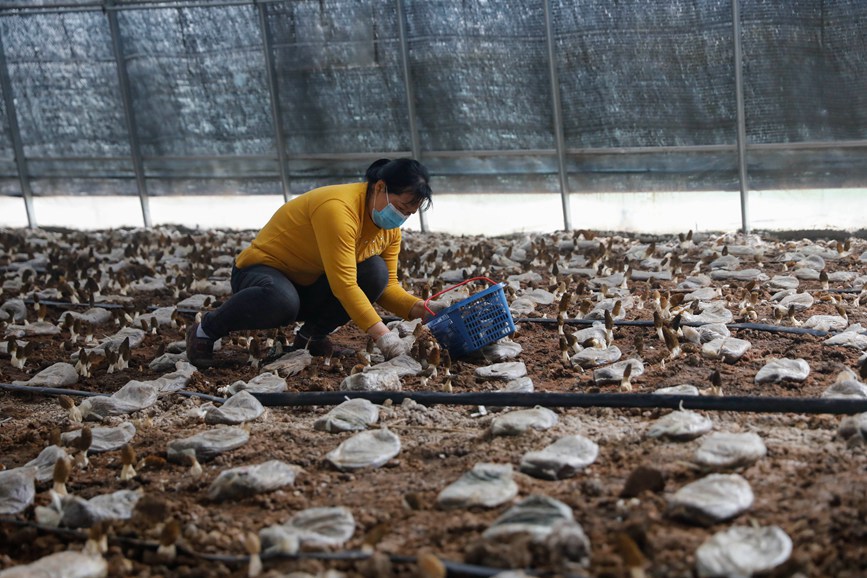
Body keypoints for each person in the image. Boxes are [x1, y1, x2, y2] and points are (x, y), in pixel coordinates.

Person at [185, 157, 434, 367]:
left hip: (310, 282)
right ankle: (205, 330)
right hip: (262, 272)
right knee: (282, 300)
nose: (401, 218)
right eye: (401, 207)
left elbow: (387, 286)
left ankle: (311, 337)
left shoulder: (389, 230)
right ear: (380, 187)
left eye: (409, 214)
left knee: (375, 272)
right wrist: (384, 338)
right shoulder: (339, 209)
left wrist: (424, 310)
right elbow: (345, 285)